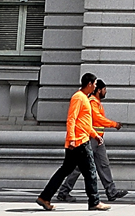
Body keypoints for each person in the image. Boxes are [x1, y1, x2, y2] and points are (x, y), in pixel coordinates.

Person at [38, 73, 110, 211]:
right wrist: (71, 138)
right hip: (79, 142)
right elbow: (72, 119)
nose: (95, 87)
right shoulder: (78, 98)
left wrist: (95, 135)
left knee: (65, 170)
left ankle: (44, 197)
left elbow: (84, 122)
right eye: (94, 84)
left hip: (79, 140)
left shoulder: (84, 98)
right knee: (90, 171)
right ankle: (94, 201)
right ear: (89, 84)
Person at [54, 80, 126, 203]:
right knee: (79, 167)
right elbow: (97, 119)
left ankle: (111, 192)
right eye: (104, 89)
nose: (105, 92)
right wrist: (114, 124)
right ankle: (64, 191)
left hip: (97, 139)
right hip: (91, 138)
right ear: (99, 90)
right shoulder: (91, 102)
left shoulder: (96, 102)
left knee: (104, 165)